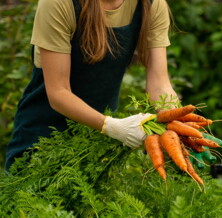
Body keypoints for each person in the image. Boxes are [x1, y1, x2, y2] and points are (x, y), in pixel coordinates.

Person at [5, 0, 179, 171]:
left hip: (99, 148)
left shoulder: (150, 4)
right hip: (41, 142)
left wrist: (179, 129)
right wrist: (112, 126)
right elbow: (58, 92)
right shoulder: (59, 3)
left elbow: (159, 84)